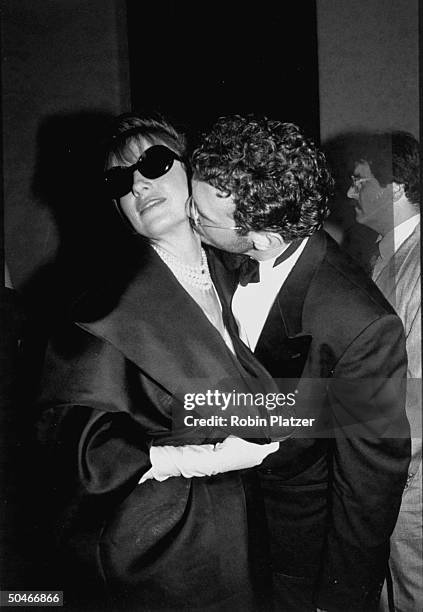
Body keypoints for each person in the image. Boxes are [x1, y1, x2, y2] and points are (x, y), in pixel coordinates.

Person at [36, 113, 289, 611]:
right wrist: (199, 459)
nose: (138, 184)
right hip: (161, 544)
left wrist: (393, 411)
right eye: (119, 179)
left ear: (192, 171)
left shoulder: (229, 268)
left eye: (154, 162)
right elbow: (68, 442)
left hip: (244, 525)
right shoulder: (106, 307)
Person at [189, 115, 411, 612]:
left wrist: (338, 599)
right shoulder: (219, 256)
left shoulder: (361, 324)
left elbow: (369, 487)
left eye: (200, 215)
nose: (189, 218)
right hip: (214, 525)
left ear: (262, 237)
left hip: (295, 550)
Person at [347, 130, 421, 612]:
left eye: (359, 180)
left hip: (412, 475)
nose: (350, 192)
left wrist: (387, 472)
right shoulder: (386, 255)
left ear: (394, 186)